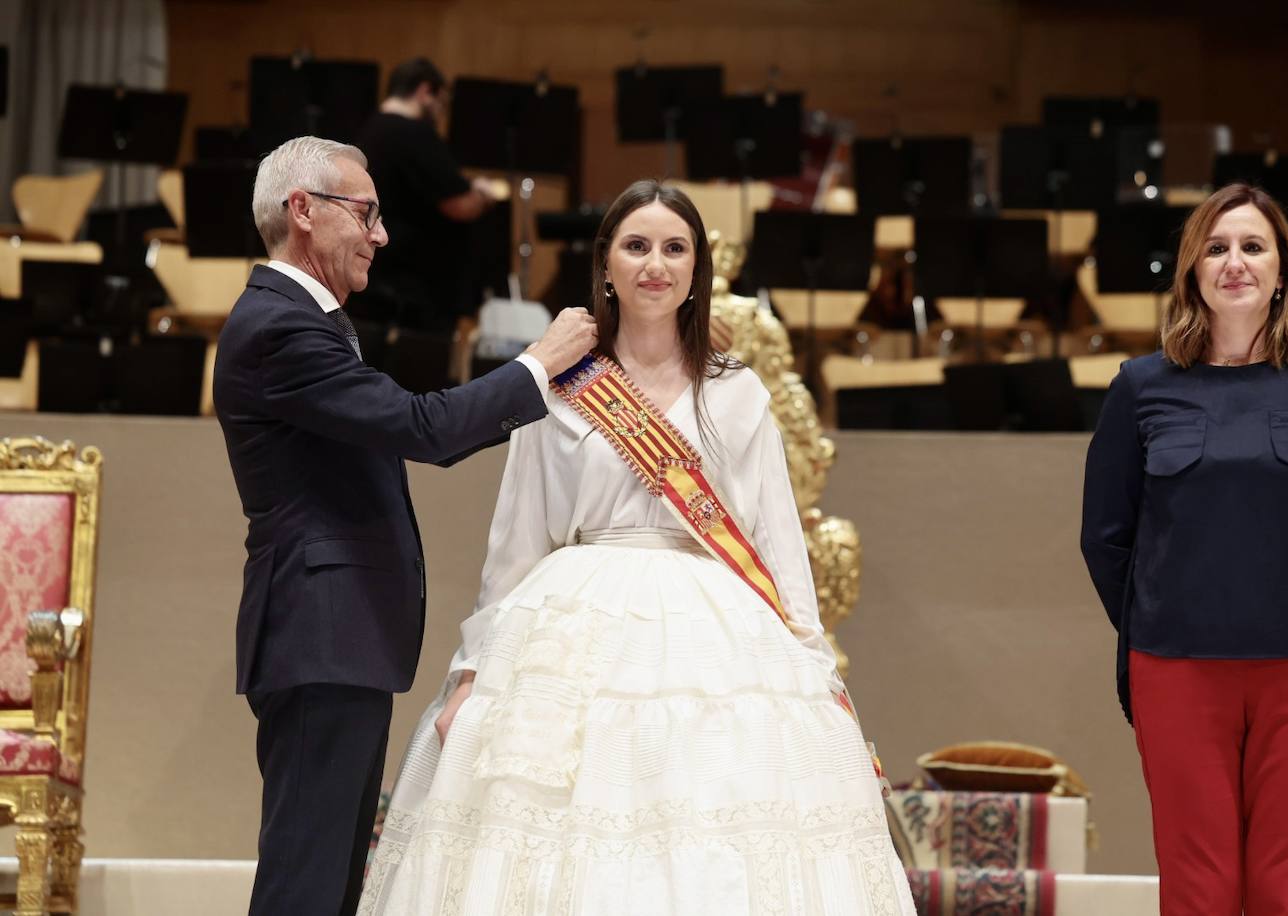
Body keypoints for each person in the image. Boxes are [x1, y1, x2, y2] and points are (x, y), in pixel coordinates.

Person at [359, 179, 915, 915]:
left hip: (718, 621)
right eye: (637, 246)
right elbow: (518, 540)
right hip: (570, 618)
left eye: (675, 248)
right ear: (607, 266)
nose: (656, 264)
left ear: (696, 272)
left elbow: (777, 542)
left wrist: (815, 666)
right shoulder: (559, 387)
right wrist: (470, 672)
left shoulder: (738, 391)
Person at [213, 135, 596, 916]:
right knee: (306, 881)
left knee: (329, 880)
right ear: (304, 211)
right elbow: (423, 428)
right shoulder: (279, 326)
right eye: (368, 214)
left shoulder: (301, 320)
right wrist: (538, 364)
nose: (381, 236)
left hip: (335, 639)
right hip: (320, 635)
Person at [1081, 183, 1288, 915]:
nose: (1234, 262)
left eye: (1252, 247)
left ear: (1283, 273)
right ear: (1191, 272)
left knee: (1287, 887)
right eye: (1216, 248)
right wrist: (1162, 611)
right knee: (1199, 887)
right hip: (1177, 670)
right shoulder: (1140, 388)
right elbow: (1106, 537)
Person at [353, 57, 498, 333]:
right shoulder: (414, 133)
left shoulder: (370, 129)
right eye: (441, 103)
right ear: (424, 92)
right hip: (415, 289)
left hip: (377, 273)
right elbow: (459, 205)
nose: (441, 114)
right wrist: (482, 194)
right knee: (421, 372)